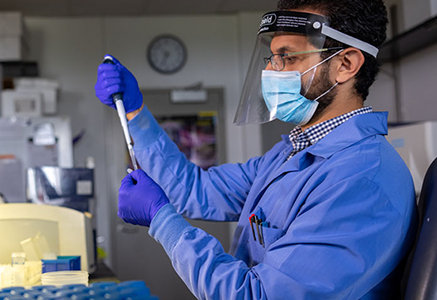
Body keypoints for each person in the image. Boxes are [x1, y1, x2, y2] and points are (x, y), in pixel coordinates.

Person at [94, 0, 417, 299]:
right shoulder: (292, 154)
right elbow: (196, 191)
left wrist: (163, 221)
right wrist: (135, 113)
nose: (272, 72)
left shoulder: (361, 181)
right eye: (272, 58)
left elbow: (257, 295)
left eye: (288, 58)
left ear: (345, 64)